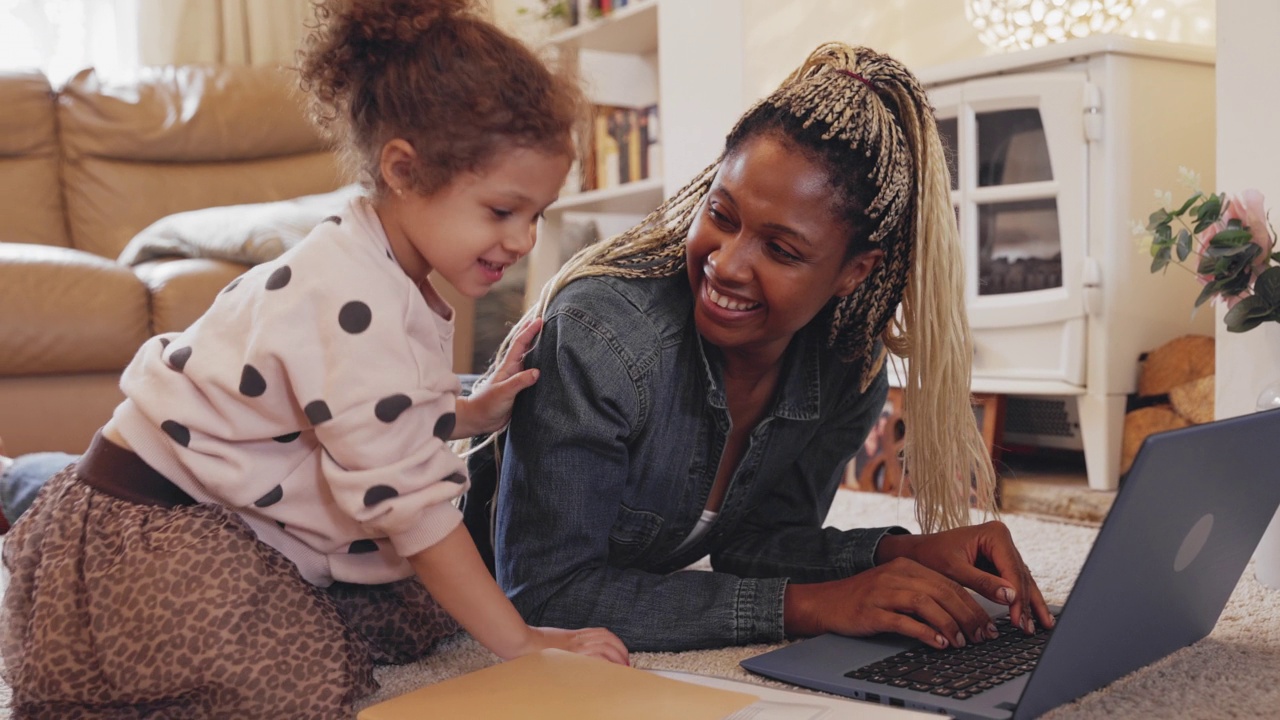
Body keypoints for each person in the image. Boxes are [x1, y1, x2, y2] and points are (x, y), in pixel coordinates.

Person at [0, 1, 627, 717]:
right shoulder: (349, 291)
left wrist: (464, 412)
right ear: (402, 169)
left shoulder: (384, 262)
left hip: (233, 513)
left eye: (537, 215)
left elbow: (354, 412)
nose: (522, 241)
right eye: (500, 211)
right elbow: (411, 509)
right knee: (299, 687)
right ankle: (20, 487)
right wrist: (521, 643)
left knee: (418, 612)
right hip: (149, 526)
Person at [468, 42, 1056, 653]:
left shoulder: (846, 374)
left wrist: (900, 552)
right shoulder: (603, 340)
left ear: (856, 271)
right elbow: (544, 594)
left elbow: (755, 544)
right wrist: (807, 607)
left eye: (781, 250)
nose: (726, 265)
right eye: (721, 215)